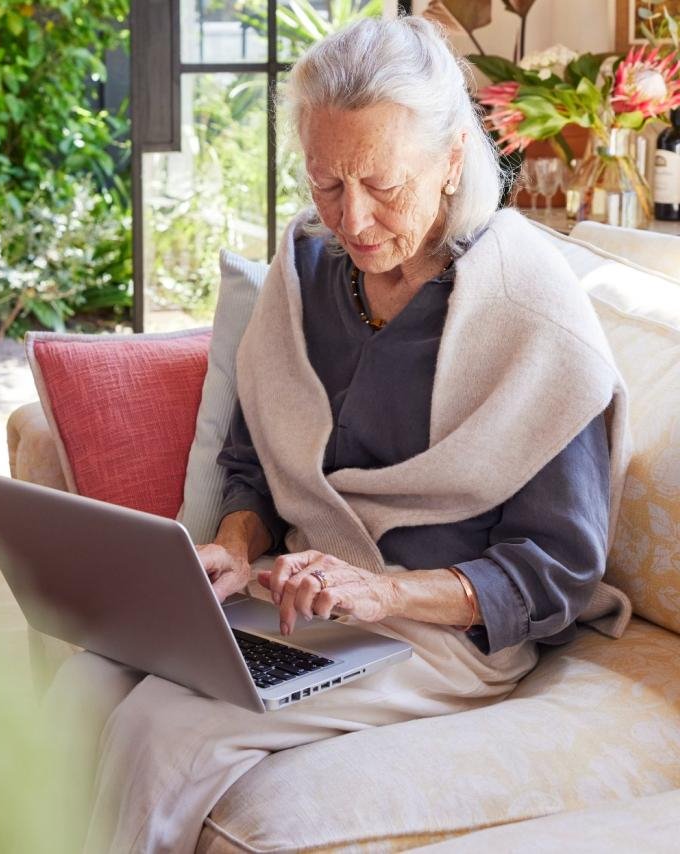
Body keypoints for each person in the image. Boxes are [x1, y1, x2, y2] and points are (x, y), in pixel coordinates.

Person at [44, 16, 630, 854]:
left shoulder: (532, 315)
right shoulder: (307, 269)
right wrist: (236, 545)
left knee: (164, 733)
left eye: (382, 185)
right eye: (326, 183)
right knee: (86, 680)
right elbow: (253, 452)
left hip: (436, 631)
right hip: (290, 598)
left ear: (453, 158)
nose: (352, 220)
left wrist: (380, 592)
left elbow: (556, 571)